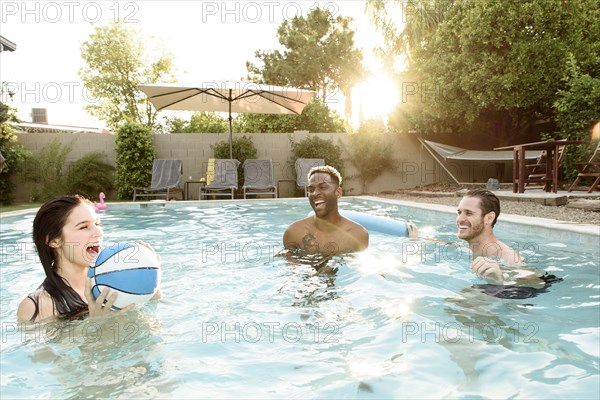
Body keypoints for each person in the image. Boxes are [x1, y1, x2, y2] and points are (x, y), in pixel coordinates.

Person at [17, 195, 159, 323]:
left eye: (97, 224)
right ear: (54, 240)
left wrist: (152, 286)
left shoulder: (117, 284)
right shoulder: (37, 306)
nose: (98, 233)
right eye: (84, 227)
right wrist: (95, 326)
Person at [283, 165, 369, 263]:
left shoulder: (357, 234)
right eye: (311, 190)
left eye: (323, 187)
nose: (315, 193)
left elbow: (357, 270)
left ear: (338, 192)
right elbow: (291, 272)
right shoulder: (294, 232)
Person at [456, 189, 526, 284]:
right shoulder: (463, 248)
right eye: (459, 213)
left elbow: (536, 286)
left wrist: (498, 280)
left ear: (489, 218)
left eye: (469, 213)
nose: (460, 219)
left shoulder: (510, 259)